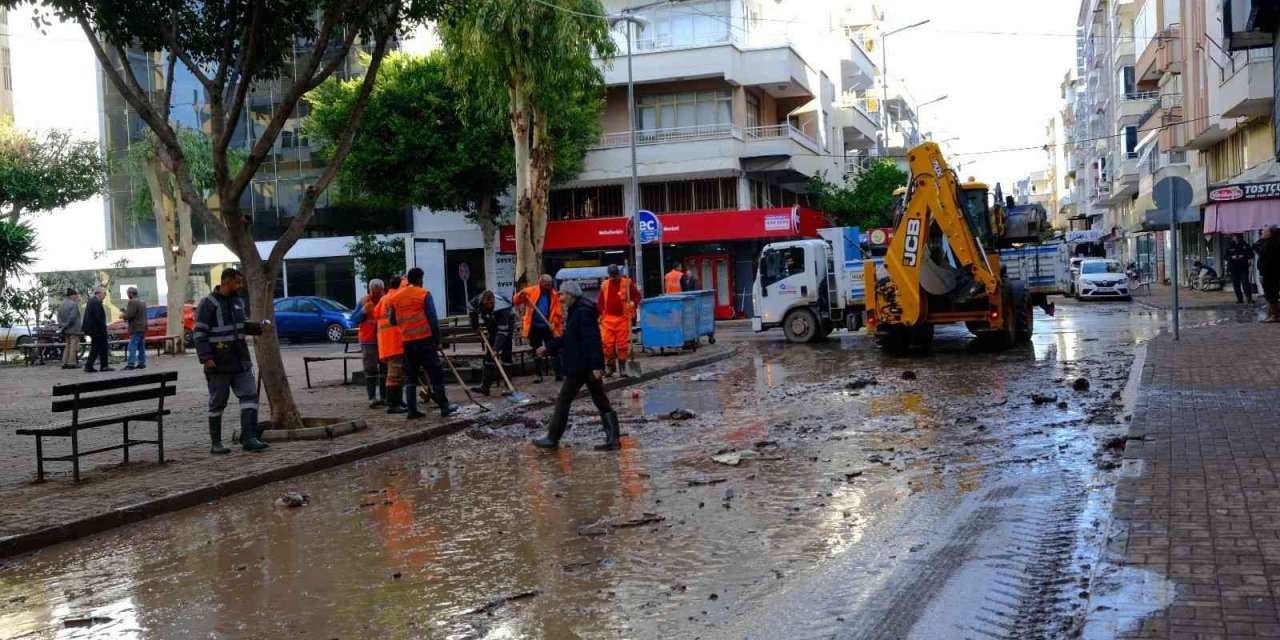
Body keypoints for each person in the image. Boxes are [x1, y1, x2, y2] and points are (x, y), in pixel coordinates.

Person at [532, 281, 620, 450]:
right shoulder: (577, 310)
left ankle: (552, 437)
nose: (560, 298)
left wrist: (596, 366)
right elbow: (568, 338)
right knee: (601, 400)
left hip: (581, 365)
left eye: (562, 294)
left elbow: (592, 339)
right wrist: (548, 347)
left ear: (571, 295)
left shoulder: (582, 311)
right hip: (584, 364)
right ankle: (613, 440)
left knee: (563, 400)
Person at [194, 268, 268, 454]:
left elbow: (240, 327)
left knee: (249, 396)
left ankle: (249, 438)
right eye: (237, 282)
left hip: (241, 361)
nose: (240, 286)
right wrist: (206, 358)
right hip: (218, 364)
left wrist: (257, 328)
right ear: (226, 282)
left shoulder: (237, 301)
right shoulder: (207, 303)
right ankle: (216, 442)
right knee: (218, 402)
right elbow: (199, 333)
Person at [389, 267, 459, 419]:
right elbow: (432, 319)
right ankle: (444, 407)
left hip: (408, 342)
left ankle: (412, 410)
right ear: (420, 279)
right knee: (435, 373)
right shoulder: (423, 294)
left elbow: (392, 320)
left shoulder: (396, 297)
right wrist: (437, 340)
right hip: (425, 340)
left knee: (411, 376)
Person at [513, 274, 563, 383]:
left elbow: (558, 312)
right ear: (540, 283)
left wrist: (554, 323)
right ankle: (538, 375)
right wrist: (520, 295)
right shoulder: (530, 291)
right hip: (534, 327)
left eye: (549, 285)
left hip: (548, 327)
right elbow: (516, 300)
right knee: (536, 350)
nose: (548, 287)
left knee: (553, 349)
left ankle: (558, 373)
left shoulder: (554, 295)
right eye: (546, 285)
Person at [468, 289, 515, 396]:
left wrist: (496, 348)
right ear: (482, 300)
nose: (489, 305)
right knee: (489, 356)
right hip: (491, 322)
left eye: (491, 303)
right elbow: (472, 310)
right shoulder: (476, 301)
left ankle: (508, 386)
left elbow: (502, 331)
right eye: (487, 303)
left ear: (495, 301)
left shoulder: (502, 308)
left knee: (506, 353)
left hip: (507, 324)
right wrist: (475, 326)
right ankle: (485, 387)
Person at [598, 264, 640, 377]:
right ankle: (610, 367)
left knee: (622, 345)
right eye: (612, 276)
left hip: (623, 318)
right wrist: (600, 314)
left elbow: (637, 296)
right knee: (607, 345)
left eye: (615, 275)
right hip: (607, 319)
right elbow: (600, 302)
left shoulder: (627, 283)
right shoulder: (605, 285)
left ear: (619, 273)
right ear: (609, 275)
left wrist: (633, 302)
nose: (614, 277)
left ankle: (622, 369)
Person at [349, 278, 386, 408]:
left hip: (384, 339)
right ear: (370, 290)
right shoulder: (364, 301)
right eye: (374, 291)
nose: (377, 294)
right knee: (370, 369)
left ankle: (384, 397)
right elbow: (354, 319)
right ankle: (372, 397)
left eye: (379, 291)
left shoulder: (385, 300)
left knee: (384, 369)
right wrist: (363, 311)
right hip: (368, 340)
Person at [376, 276, 407, 413]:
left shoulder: (384, 299)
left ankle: (398, 401)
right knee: (394, 374)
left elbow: (376, 313)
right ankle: (393, 404)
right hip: (395, 340)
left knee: (396, 373)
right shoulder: (396, 299)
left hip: (385, 342)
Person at [82, 285, 112, 373]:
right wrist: (103, 330)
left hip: (94, 330)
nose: (105, 295)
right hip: (97, 330)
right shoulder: (96, 302)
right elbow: (98, 318)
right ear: (98, 293)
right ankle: (102, 366)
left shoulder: (93, 301)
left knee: (96, 348)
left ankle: (90, 366)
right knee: (101, 347)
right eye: (104, 293)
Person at [1256, 225, 1280, 322]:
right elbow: (1255, 245)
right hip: (1267, 272)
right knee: (1269, 294)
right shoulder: (1267, 242)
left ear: (1270, 233)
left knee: (1271, 294)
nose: (1262, 232)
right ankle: (1273, 314)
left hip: (1271, 273)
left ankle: (1274, 315)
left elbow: (1269, 259)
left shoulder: (1273, 243)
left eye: (1264, 231)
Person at [122, 287, 148, 370]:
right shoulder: (142, 301)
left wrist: (123, 316)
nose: (127, 296)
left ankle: (131, 364)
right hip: (143, 327)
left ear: (130, 293)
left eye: (127, 294)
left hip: (136, 327)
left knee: (132, 345)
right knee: (141, 346)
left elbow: (130, 315)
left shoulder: (132, 301)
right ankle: (142, 363)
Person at [56, 288, 82, 370]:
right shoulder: (73, 304)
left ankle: (64, 362)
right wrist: (67, 324)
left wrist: (63, 325)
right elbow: (73, 317)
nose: (76, 297)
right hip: (73, 329)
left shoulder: (61, 304)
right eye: (75, 295)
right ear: (72, 295)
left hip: (65, 329)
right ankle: (72, 363)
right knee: (73, 346)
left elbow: (58, 316)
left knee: (67, 346)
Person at [1225, 234, 1255, 304]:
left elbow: (1251, 254)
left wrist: (1244, 256)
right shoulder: (1229, 246)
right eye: (1235, 236)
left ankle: (1249, 298)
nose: (1237, 238)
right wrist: (1232, 257)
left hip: (1243, 267)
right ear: (1233, 237)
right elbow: (1225, 256)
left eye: (1238, 237)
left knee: (1245, 283)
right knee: (1236, 284)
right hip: (1233, 267)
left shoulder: (1245, 245)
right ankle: (1239, 299)